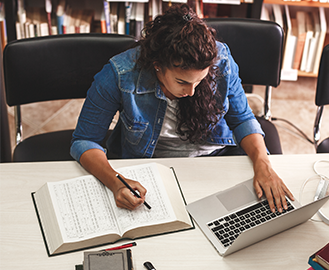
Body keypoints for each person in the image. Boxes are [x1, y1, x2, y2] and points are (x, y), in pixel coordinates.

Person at [71, 4, 293, 213]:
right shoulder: (119, 74)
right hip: (150, 167)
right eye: (182, 82)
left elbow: (242, 119)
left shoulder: (221, 60)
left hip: (216, 158)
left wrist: (263, 164)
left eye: (200, 81)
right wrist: (115, 182)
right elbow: (85, 141)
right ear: (157, 65)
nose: (192, 92)